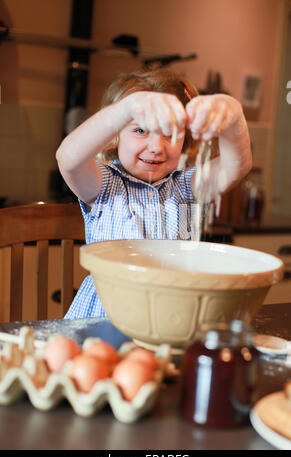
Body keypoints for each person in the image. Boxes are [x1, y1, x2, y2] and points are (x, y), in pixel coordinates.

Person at [56, 68, 252, 319]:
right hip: (108, 316)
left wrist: (234, 115)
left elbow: (237, 166)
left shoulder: (186, 188)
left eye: (170, 133)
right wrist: (127, 109)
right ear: (116, 135)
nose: (156, 147)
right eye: (140, 130)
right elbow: (68, 159)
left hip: (172, 313)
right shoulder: (104, 185)